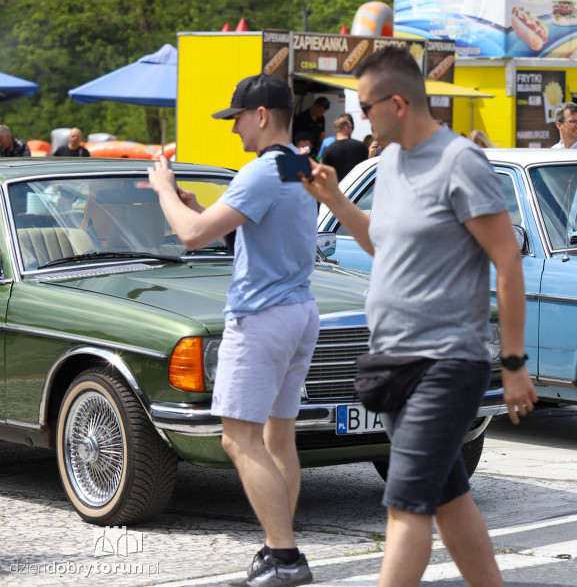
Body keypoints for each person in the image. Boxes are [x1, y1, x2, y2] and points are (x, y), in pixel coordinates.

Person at [301, 46, 536, 587]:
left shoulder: (460, 163)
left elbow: (506, 258)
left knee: (406, 507)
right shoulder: (390, 162)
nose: (362, 118)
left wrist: (515, 360)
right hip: (394, 362)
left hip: (447, 362)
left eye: (366, 106)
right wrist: (335, 199)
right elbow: (382, 243)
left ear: (399, 103)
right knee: (449, 498)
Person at [148, 74, 320, 587]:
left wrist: (164, 192)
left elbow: (190, 236)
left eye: (237, 118)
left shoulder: (261, 170)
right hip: (299, 311)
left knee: (238, 440)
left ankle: (285, 558)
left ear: (262, 116)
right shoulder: (297, 164)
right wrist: (204, 208)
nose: (234, 129)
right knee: (278, 436)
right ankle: (277, 547)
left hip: (262, 317)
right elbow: (263, 231)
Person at [321, 114, 368, 181]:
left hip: (338, 187)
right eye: (351, 128)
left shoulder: (328, 150)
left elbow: (325, 175)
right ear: (346, 128)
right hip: (359, 186)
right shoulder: (360, 146)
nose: (351, 130)